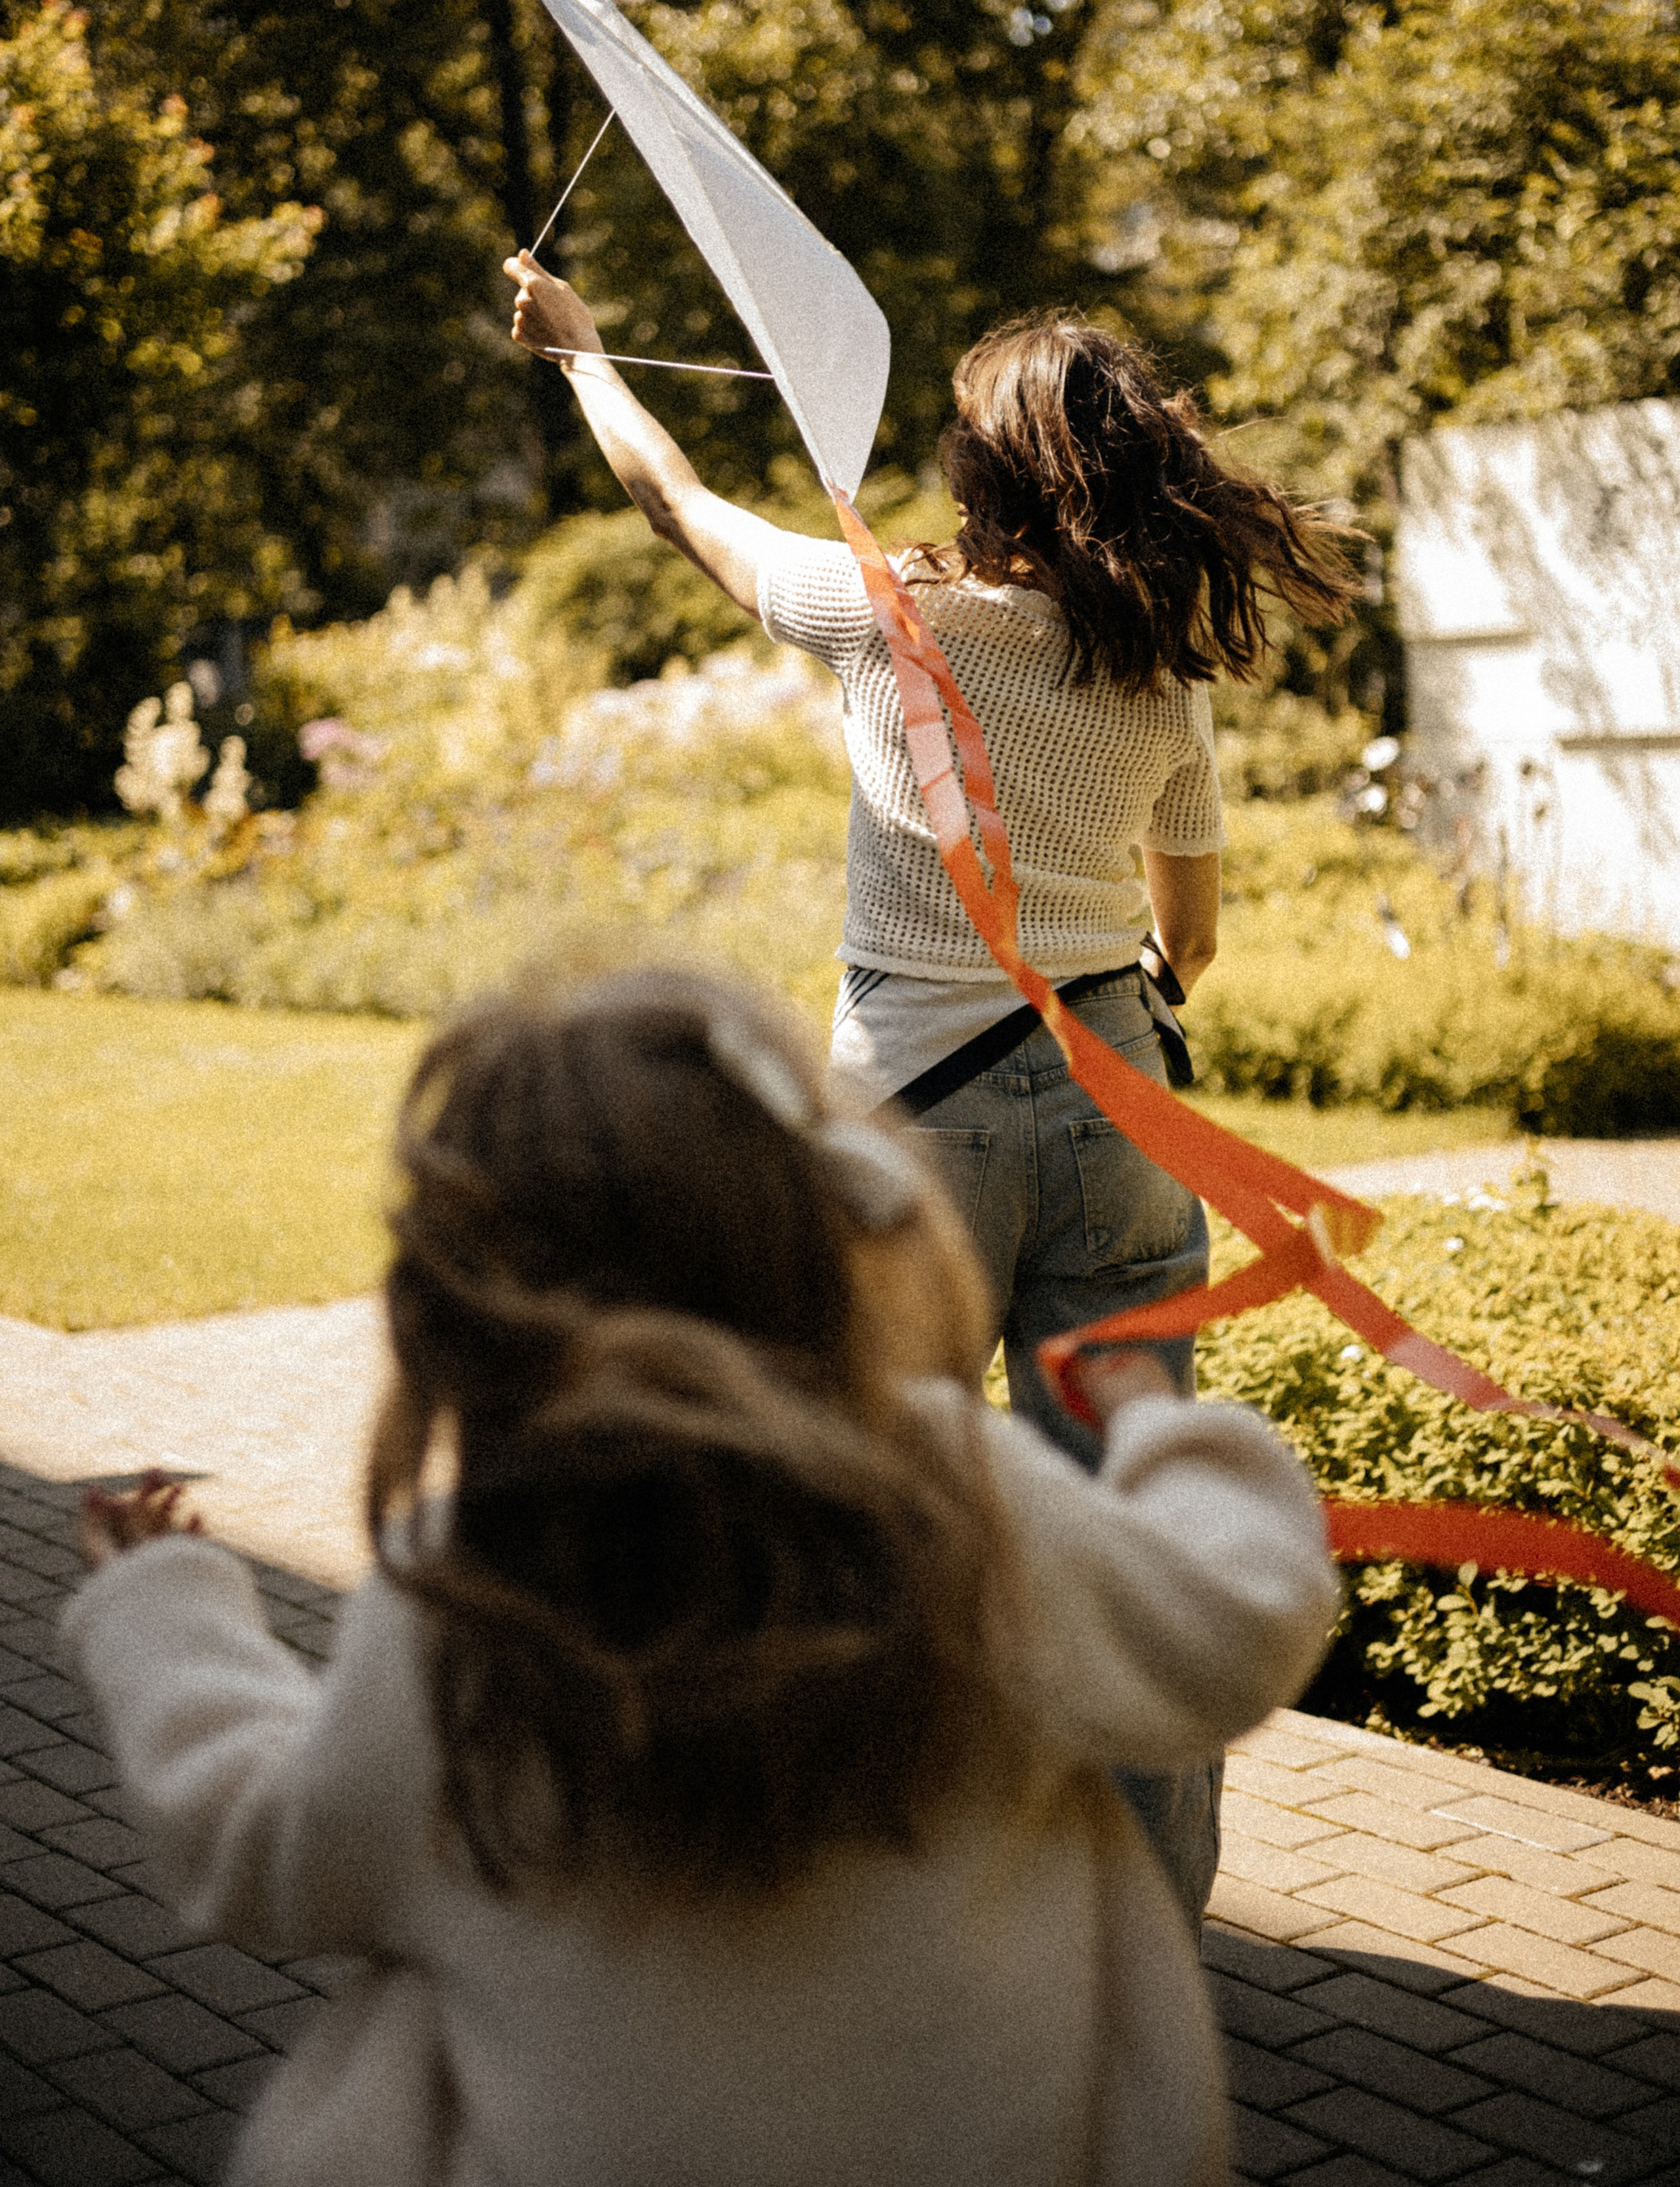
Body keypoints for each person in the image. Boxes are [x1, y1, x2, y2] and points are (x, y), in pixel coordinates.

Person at [68, 971, 1338, 2187]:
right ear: (821, 1238)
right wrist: (1166, 1436)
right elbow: (1233, 1621)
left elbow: (272, 1851)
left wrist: (168, 1617)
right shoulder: (957, 1501)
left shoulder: (467, 1592)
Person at [501, 257, 1356, 1917]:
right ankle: (1143, 1930)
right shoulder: (1155, 666)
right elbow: (1192, 933)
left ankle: (833, 1897)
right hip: (1120, 1113)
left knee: (851, 1511)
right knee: (1124, 1540)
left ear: (985, 475)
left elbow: (675, 500)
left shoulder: (879, 621)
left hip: (910, 1137)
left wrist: (584, 356)